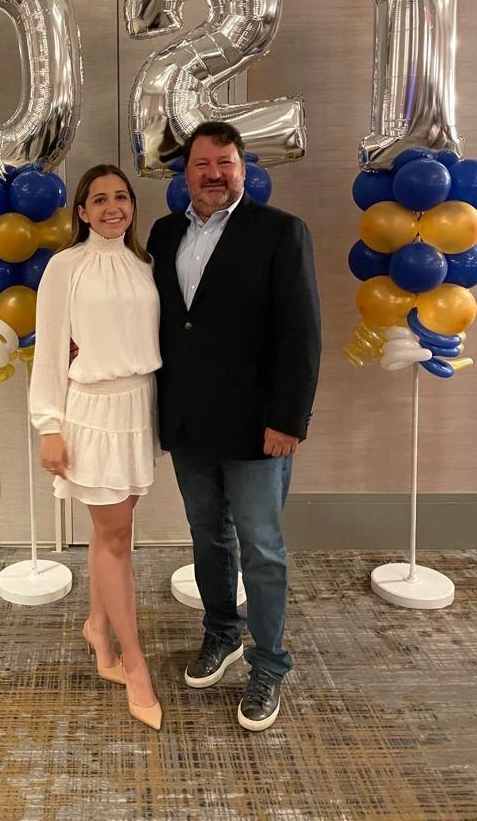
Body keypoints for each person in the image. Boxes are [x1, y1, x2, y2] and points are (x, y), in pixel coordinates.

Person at [147, 122, 321, 732]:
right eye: (202, 164)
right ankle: (222, 633)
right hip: (190, 425)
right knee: (207, 538)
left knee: (263, 549)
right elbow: (165, 328)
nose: (214, 174)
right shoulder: (164, 232)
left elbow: (300, 335)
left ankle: (270, 664)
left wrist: (287, 421)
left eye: (225, 162)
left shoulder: (279, 232)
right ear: (185, 172)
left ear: (243, 168)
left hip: (257, 429)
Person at [30, 164, 163, 731]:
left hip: (139, 407)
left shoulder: (143, 263)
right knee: (118, 540)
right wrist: (48, 425)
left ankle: (97, 629)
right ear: (81, 211)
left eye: (122, 197)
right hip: (92, 411)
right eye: (100, 199)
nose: (114, 207)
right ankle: (134, 665)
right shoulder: (66, 267)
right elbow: (50, 350)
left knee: (113, 533)